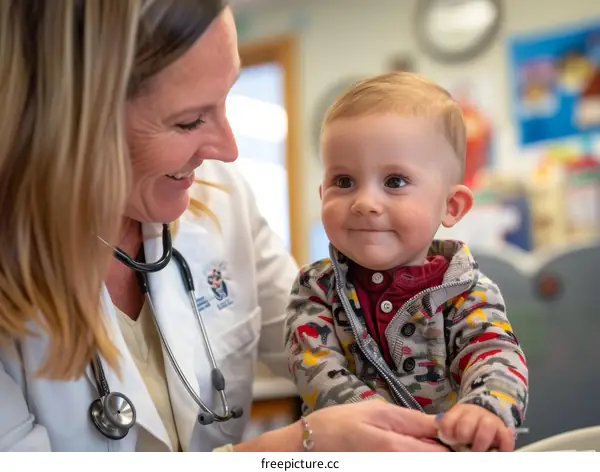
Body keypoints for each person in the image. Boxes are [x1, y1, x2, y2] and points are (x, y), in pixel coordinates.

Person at [0, 1, 448, 452]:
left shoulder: (221, 198)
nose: (229, 149)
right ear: (67, 122)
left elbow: (331, 347)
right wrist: (297, 450)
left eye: (227, 96)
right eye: (189, 120)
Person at [284, 72, 529, 452]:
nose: (364, 202)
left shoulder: (466, 289)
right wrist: (383, 434)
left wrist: (487, 409)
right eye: (344, 181)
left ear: (451, 206)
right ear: (322, 194)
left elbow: (493, 354)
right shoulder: (315, 290)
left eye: (395, 182)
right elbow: (317, 371)